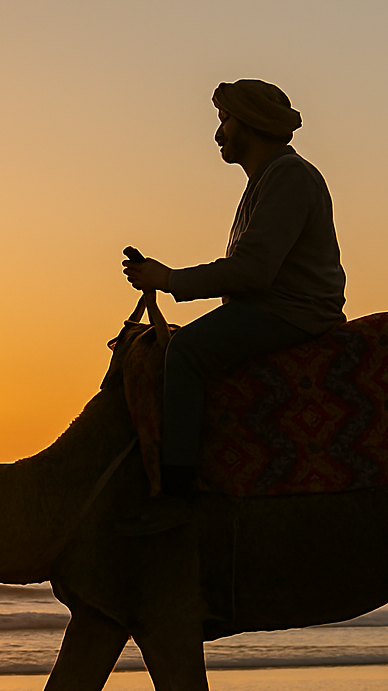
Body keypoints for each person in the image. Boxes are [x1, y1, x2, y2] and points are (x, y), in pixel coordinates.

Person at [119, 79, 346, 534]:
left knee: (186, 352)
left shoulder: (289, 177)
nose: (219, 132)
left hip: (292, 314)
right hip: (271, 310)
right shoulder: (268, 180)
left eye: (226, 120)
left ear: (251, 123)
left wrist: (168, 280)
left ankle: (177, 497)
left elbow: (252, 270)